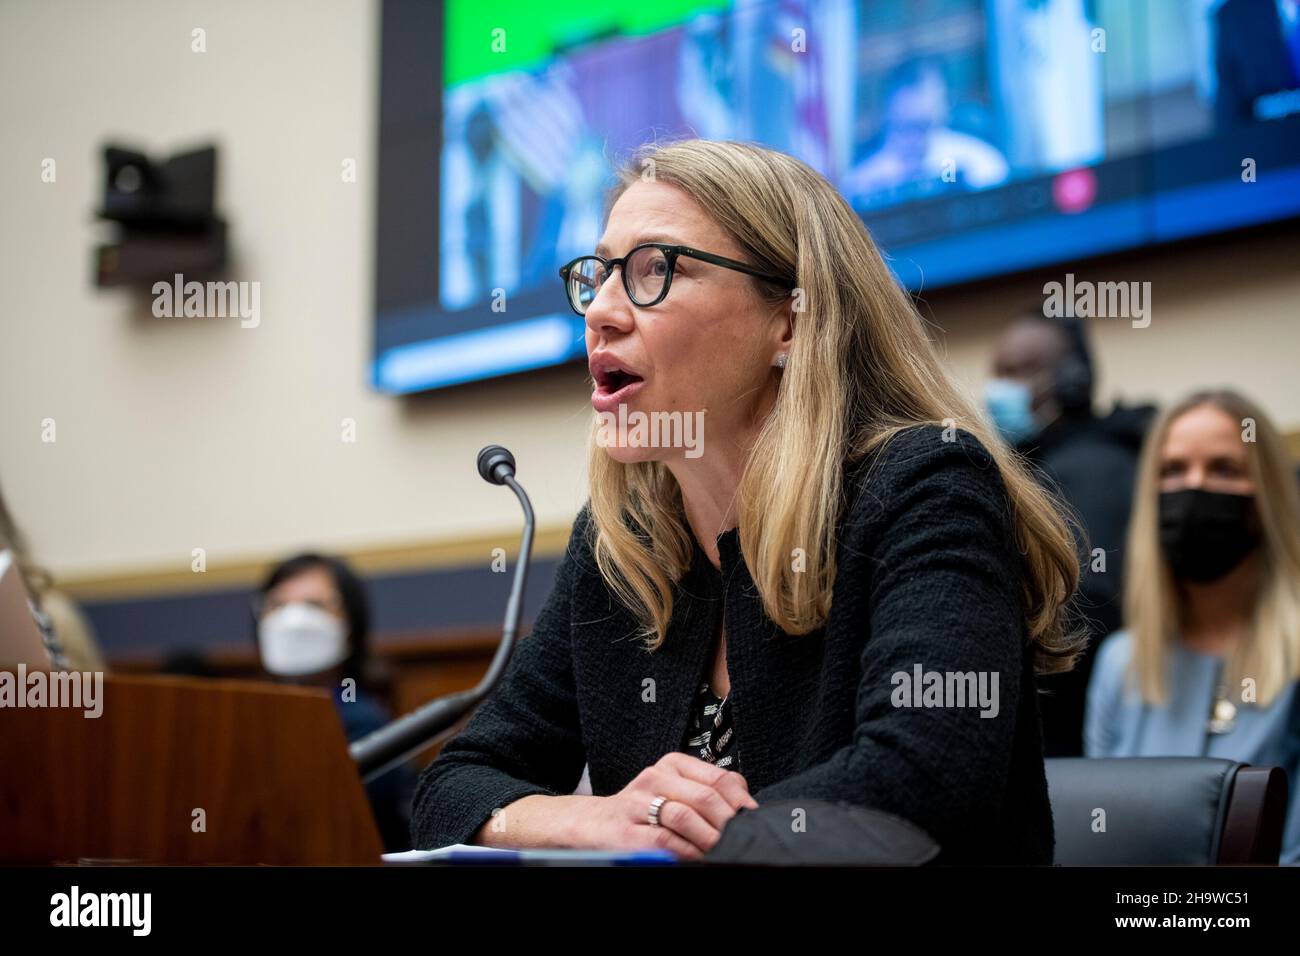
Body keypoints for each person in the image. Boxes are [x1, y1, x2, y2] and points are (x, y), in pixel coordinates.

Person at [410, 138, 1084, 864]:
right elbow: (450, 789)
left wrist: (677, 829)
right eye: (598, 275)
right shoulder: (624, 546)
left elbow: (923, 780)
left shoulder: (927, 488)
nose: (601, 312)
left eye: (655, 271)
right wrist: (599, 821)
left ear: (789, 323)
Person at [1086, 390, 1300, 864]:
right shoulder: (1121, 665)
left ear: (1266, 495)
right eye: (1173, 470)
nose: (1194, 486)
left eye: (1224, 469)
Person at [986, 312, 1154, 755]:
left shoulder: (1089, 467)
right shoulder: (1037, 465)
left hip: (1075, 732)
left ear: (1071, 382)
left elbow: (1089, 611)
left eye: (1017, 372)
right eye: (998, 372)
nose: (998, 389)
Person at [255, 553, 414, 852]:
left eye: (314, 605)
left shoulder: (365, 723)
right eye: (277, 605)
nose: (293, 620)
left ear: (350, 623)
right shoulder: (242, 716)